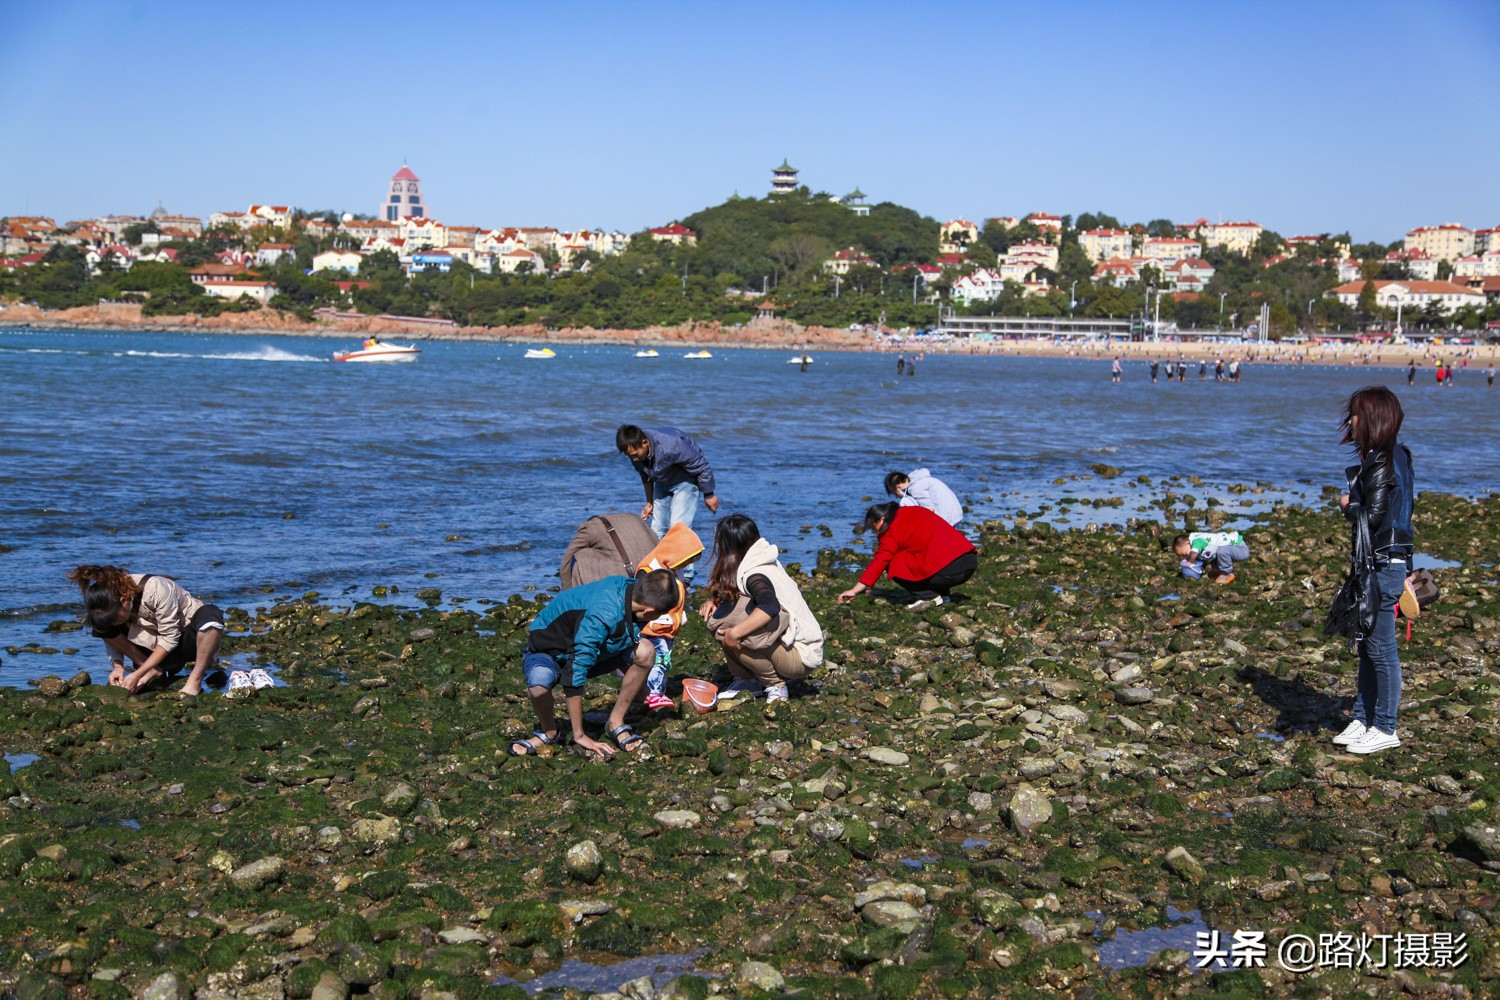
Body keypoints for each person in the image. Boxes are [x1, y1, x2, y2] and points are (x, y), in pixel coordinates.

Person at [510, 569, 680, 758]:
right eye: (659, 616)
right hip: (549, 651)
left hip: (585, 645)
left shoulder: (632, 590)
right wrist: (580, 735)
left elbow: (624, 635)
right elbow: (576, 671)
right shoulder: (602, 614)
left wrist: (640, 680)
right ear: (649, 611)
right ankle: (549, 732)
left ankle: (615, 722)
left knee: (646, 652)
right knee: (539, 686)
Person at [1332, 386, 1414, 756]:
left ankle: (1385, 726)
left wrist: (1348, 505)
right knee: (1367, 646)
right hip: (1385, 562)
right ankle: (1363, 718)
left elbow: (1375, 516)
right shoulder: (1398, 457)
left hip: (1383, 564)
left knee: (1381, 649)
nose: (1350, 420)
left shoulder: (1382, 460)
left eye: (1356, 414)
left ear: (1373, 418)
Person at [698, 514, 823, 704]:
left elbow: (769, 606)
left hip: (801, 656)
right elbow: (740, 599)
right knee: (722, 618)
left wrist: (736, 633)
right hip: (796, 649)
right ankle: (747, 680)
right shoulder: (761, 558)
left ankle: (775, 685)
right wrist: (714, 602)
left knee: (726, 629)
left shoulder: (755, 573)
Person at [67, 565, 225, 696]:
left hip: (186, 642)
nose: (115, 623)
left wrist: (137, 673)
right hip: (153, 651)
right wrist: (118, 666)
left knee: (211, 616)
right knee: (100, 625)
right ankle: (152, 671)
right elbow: (109, 633)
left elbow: (170, 638)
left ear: (123, 601)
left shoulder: (156, 588)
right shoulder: (110, 601)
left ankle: (194, 680)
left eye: (116, 619)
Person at [616, 424, 719, 583]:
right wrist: (649, 502)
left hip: (686, 481)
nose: (634, 459)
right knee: (656, 530)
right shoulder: (635, 454)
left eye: (636, 455)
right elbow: (646, 476)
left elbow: (701, 465)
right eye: (630, 456)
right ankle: (657, 572)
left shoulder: (671, 444)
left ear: (645, 442)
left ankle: (685, 579)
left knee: (678, 527)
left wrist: (709, 493)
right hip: (662, 482)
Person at [838, 502, 976, 610]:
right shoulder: (915, 510)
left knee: (892, 564)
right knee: (926, 556)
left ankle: (930, 597)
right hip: (969, 561)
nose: (877, 533)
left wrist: (855, 590)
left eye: (875, 528)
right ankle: (944, 596)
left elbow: (880, 560)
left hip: (950, 571)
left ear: (881, 519)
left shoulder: (890, 530)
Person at [885, 468, 963, 526]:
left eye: (895, 494)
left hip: (949, 517)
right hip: (953, 513)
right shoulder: (919, 481)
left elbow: (929, 509)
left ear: (898, 487)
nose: (898, 497)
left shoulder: (916, 487)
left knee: (905, 502)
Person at [1173, 531, 1249, 585]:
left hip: (1240, 549)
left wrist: (1191, 561)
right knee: (1210, 554)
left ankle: (1227, 573)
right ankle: (1217, 571)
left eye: (1185, 554)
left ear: (1187, 543)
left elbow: (1194, 551)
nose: (1186, 557)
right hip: (1231, 550)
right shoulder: (1193, 546)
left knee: (1221, 551)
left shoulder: (1197, 541)